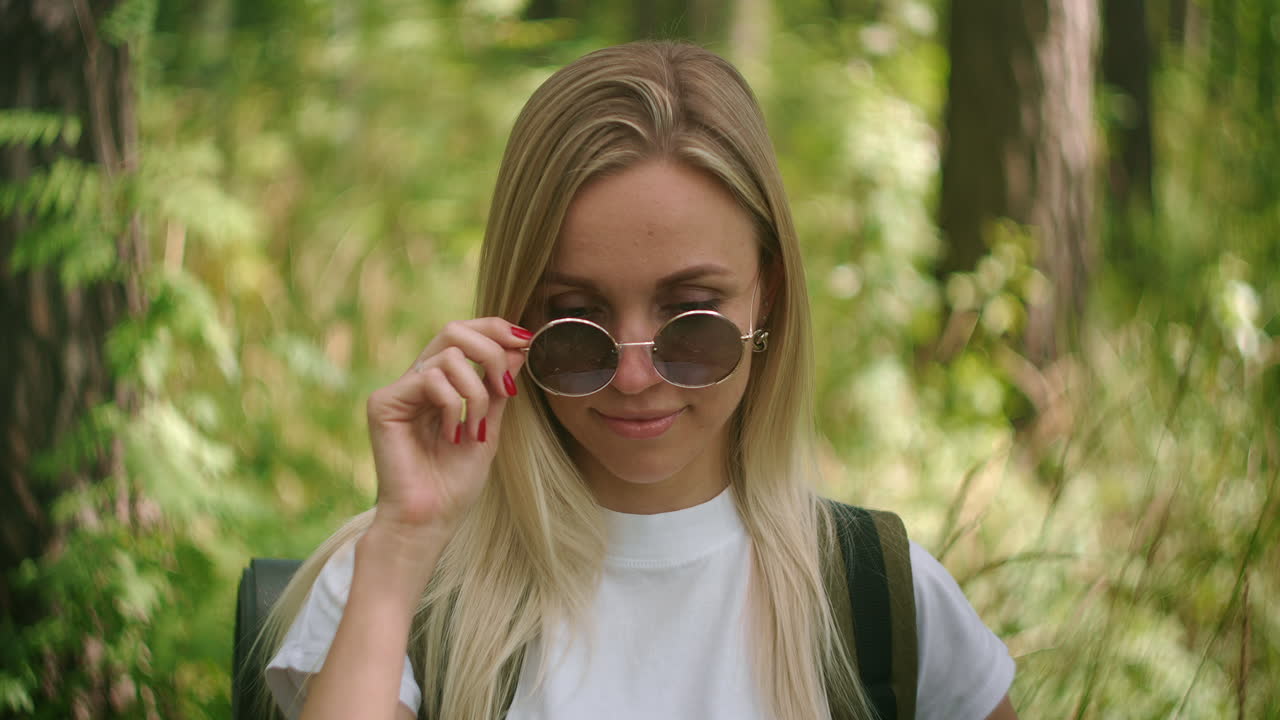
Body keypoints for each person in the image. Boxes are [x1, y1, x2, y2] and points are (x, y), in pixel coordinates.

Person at [260, 41, 1018, 720]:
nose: (631, 375)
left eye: (691, 315)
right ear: (512, 314)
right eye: (575, 317)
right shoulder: (403, 588)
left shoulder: (877, 596)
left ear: (770, 295)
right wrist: (405, 541)